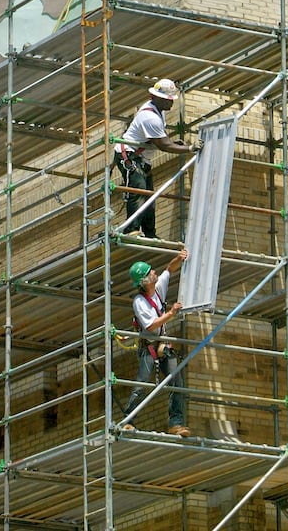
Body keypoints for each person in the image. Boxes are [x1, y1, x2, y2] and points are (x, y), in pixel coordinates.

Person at [114, 78, 201, 238]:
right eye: (169, 100)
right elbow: (164, 145)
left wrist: (175, 143)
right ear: (158, 98)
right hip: (129, 155)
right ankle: (131, 229)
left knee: (149, 196)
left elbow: (162, 140)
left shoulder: (158, 112)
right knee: (138, 190)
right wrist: (188, 148)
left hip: (141, 158)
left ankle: (149, 233)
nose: (171, 104)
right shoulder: (150, 117)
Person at [122, 249, 190, 436]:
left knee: (177, 382)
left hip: (163, 345)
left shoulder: (157, 289)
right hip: (149, 347)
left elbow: (169, 269)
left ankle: (176, 423)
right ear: (145, 281)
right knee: (142, 384)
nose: (154, 272)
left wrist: (179, 258)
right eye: (150, 272)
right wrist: (171, 314)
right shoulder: (139, 302)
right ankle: (128, 420)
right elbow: (151, 326)